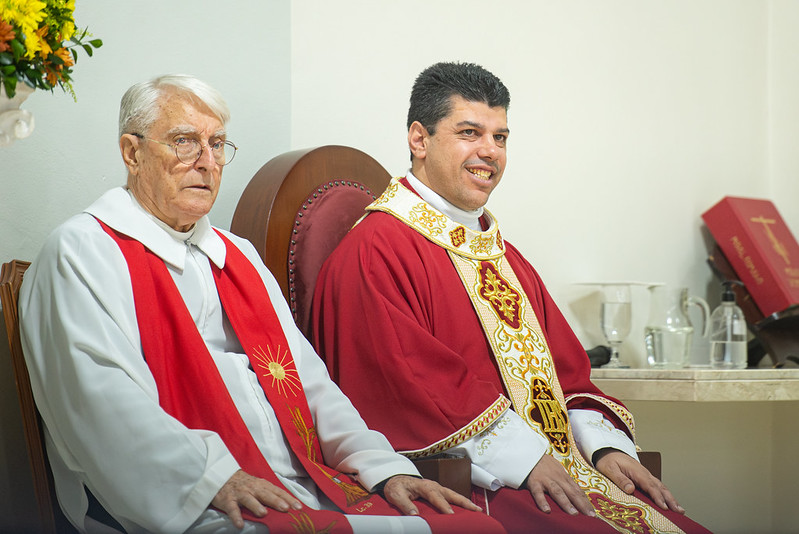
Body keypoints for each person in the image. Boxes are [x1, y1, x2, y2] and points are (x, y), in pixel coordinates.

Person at [18, 74, 507, 534]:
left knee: (475, 527)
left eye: (217, 145)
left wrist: (381, 468)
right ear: (132, 152)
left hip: (303, 479)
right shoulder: (84, 251)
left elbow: (310, 379)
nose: (207, 162)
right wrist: (209, 480)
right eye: (185, 141)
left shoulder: (238, 256)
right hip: (190, 498)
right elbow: (102, 403)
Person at [311, 62, 710, 534]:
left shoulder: (498, 251)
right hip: (478, 487)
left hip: (559, 473)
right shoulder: (377, 250)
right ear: (419, 139)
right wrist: (524, 458)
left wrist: (606, 448)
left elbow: (567, 374)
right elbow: (406, 386)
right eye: (469, 132)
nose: (489, 152)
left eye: (500, 137)